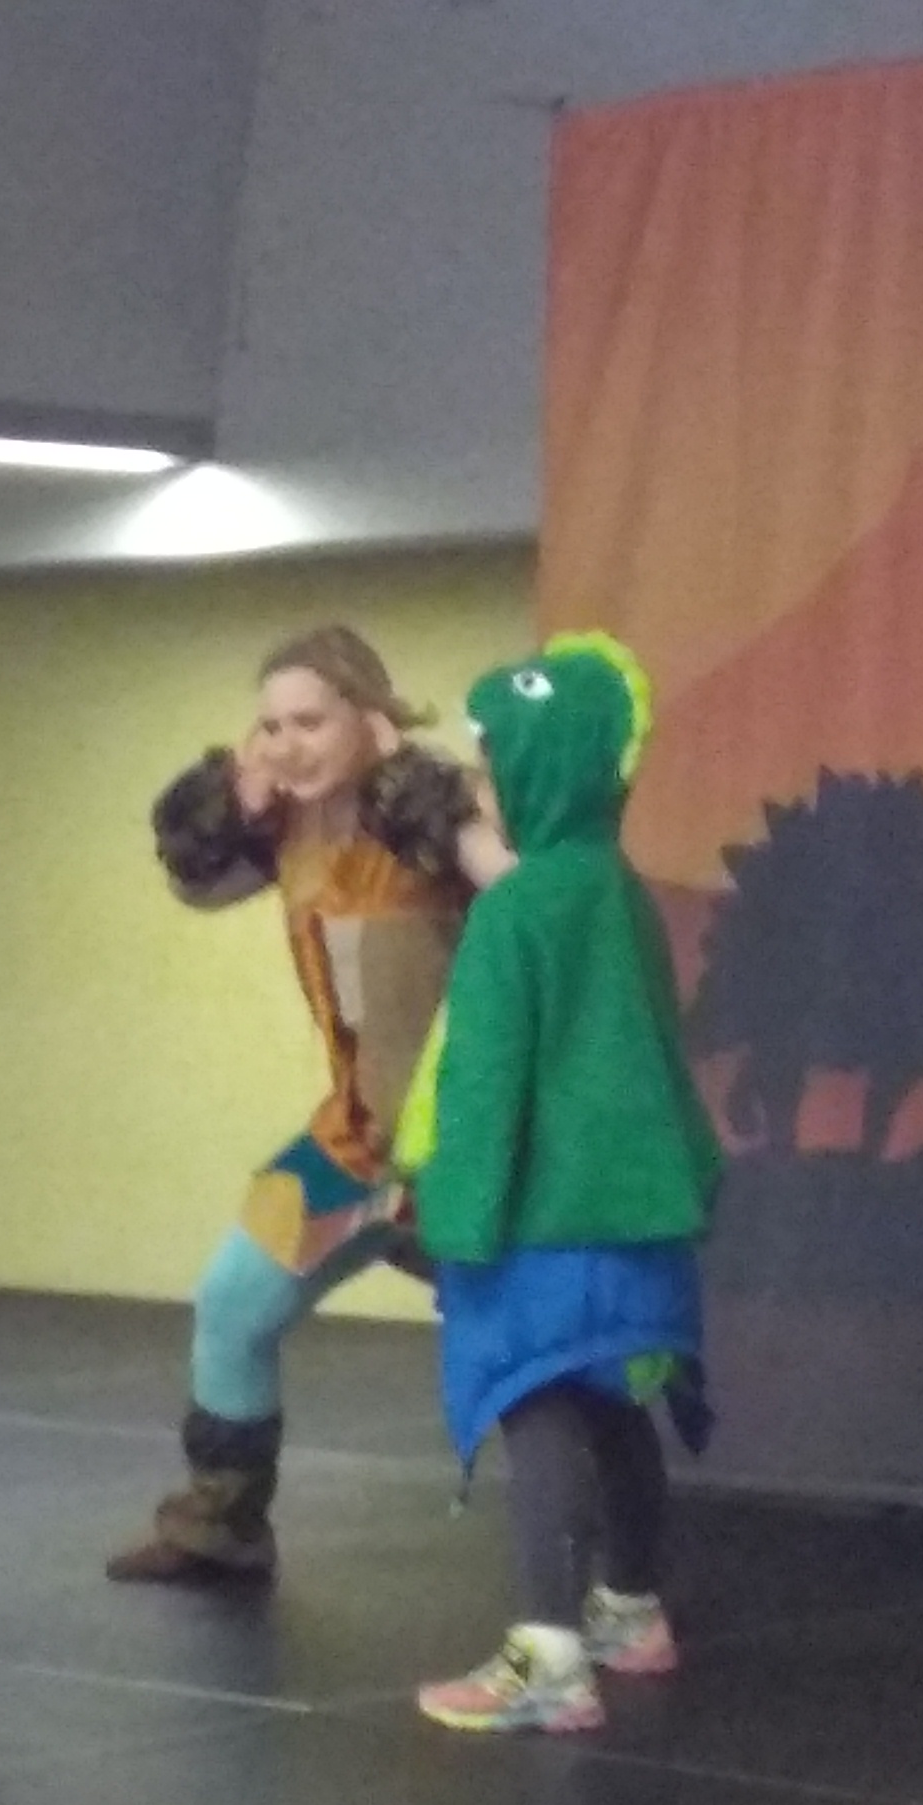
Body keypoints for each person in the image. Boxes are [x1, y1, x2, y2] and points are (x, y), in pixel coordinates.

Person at [105, 626, 513, 1585]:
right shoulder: (290, 834)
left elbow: (523, 886)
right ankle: (221, 1526)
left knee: (539, 1350)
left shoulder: (441, 812)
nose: (290, 744)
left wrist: (427, 793)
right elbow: (198, 885)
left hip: (466, 1145)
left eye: (312, 721)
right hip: (355, 1141)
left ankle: (610, 1557)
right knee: (233, 1303)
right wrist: (224, 807)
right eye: (273, 726)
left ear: (370, 718)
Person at [397, 634, 722, 1735]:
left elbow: (485, 1083)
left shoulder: (516, 912)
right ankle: (630, 1608)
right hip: (639, 1216)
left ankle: (546, 1657)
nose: (483, 792)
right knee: (614, 1400)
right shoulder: (617, 893)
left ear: (540, 774)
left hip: (542, 1220)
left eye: (494, 770)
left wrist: (454, 1216)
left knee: (532, 1405)